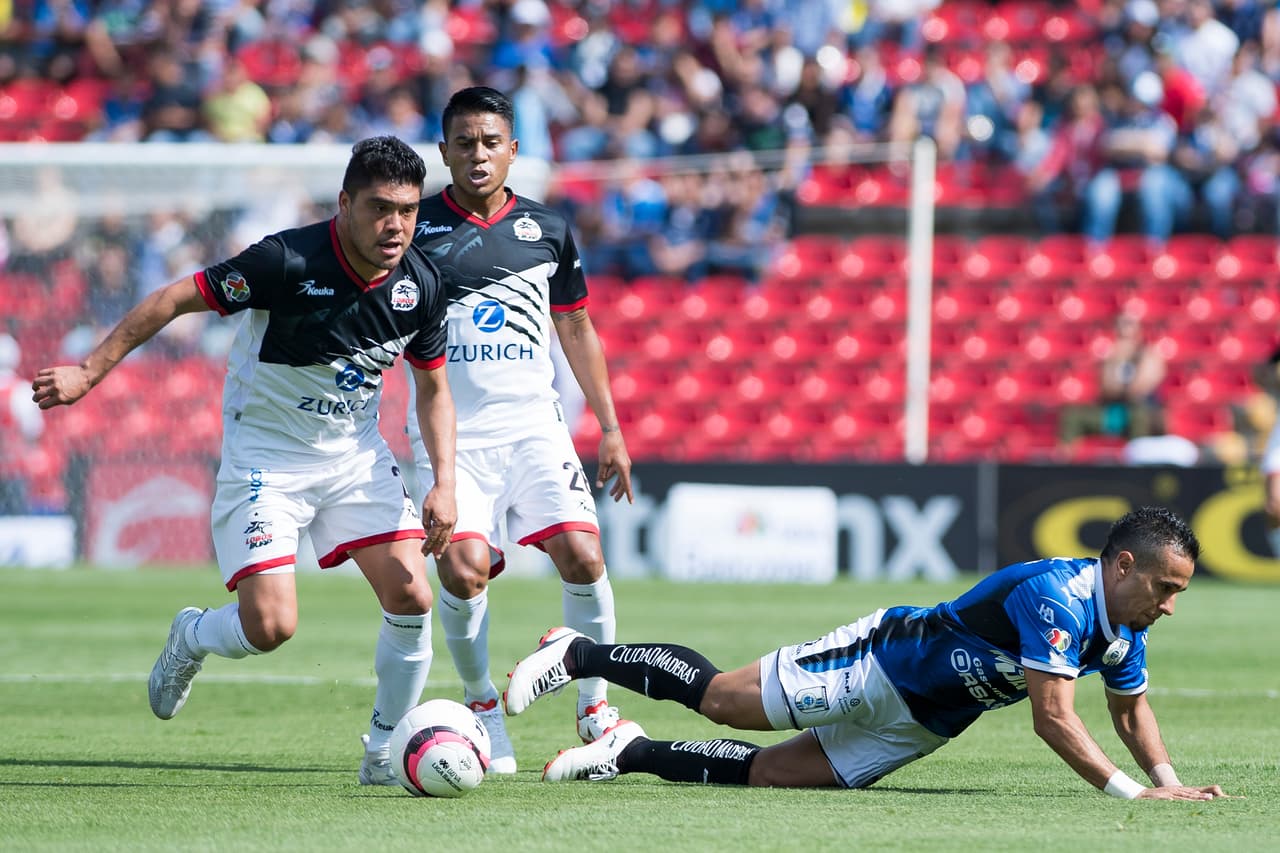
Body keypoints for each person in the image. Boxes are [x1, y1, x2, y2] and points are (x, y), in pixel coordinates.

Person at [30, 136, 458, 786]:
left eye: (406, 208)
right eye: (379, 207)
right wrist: (91, 371)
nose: (395, 224)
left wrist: (444, 482)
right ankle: (193, 636)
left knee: (411, 593)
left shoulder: (421, 284)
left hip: (352, 456)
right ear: (344, 203)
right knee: (271, 624)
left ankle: (381, 753)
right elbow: (176, 298)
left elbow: (433, 388)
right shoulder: (285, 260)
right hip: (266, 454)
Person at [505, 507, 1231, 801]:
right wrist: (1136, 795)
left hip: (926, 721)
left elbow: (1131, 711)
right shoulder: (1058, 594)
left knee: (773, 774)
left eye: (1178, 595)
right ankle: (578, 654)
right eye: (1164, 587)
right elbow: (1053, 717)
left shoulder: (1125, 628)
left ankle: (631, 751)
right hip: (886, 660)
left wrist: (1170, 778)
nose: (1168, 605)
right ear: (1125, 563)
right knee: (727, 700)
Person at [405, 86, 633, 774]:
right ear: (443, 151)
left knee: (585, 558)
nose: (478, 154)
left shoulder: (549, 229)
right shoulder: (414, 231)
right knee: (465, 569)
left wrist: (612, 427)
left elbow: (576, 325)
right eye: (465, 143)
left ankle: (594, 705)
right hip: (453, 436)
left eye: (491, 141)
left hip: (535, 426)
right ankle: (480, 704)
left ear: (513, 149)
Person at [1059, 313, 1167, 446]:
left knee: (1138, 416)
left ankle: (1137, 460)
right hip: (1113, 411)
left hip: (1141, 411)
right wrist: (1115, 360)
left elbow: (1141, 387)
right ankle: (1067, 459)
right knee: (1073, 415)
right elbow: (1105, 387)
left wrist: (1122, 388)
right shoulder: (1111, 357)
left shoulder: (1148, 355)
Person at [0, 333, 44, 514]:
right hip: (13, 469)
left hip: (12, 467)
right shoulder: (22, 390)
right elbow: (33, 429)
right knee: (15, 521)